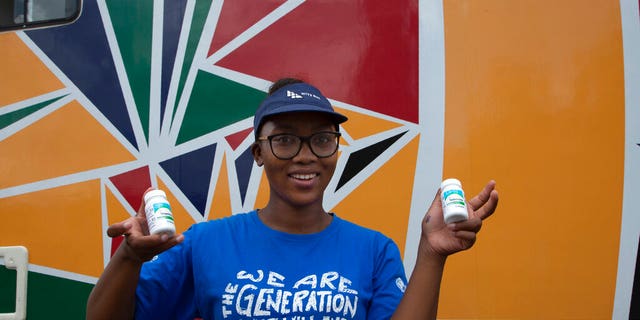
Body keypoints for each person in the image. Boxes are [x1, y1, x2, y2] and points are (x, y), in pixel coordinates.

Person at [86, 78, 499, 320]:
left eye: (322, 140)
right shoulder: (204, 243)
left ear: (336, 151)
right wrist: (128, 258)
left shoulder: (374, 251)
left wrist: (431, 253)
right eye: (284, 139)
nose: (305, 155)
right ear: (258, 153)